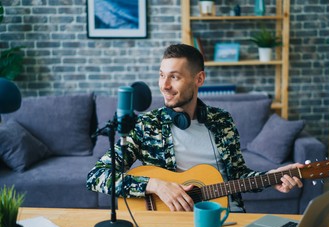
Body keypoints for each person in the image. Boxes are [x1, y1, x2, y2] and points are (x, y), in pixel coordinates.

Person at [86, 43, 303, 212]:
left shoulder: (222, 121)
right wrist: (156, 185)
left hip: (229, 214)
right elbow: (97, 176)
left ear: (198, 79)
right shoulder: (146, 125)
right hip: (175, 221)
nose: (164, 85)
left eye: (174, 77)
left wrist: (272, 177)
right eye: (162, 75)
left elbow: (237, 176)